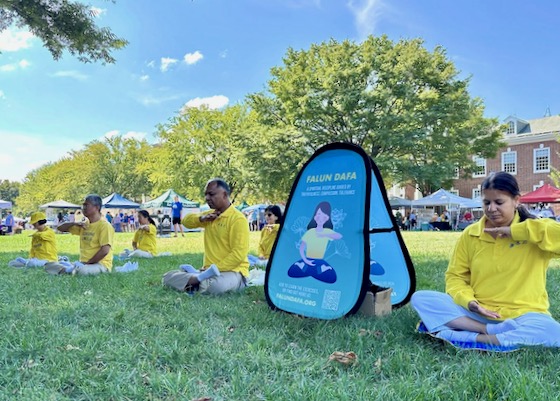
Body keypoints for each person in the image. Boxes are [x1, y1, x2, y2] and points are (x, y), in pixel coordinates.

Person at [411, 171, 560, 349]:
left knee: (552, 331)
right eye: (486, 202)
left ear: (517, 200)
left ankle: (465, 337)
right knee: (421, 298)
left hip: (523, 315)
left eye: (499, 202)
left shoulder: (535, 232)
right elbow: (455, 276)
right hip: (478, 313)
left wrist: (514, 232)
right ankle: (487, 331)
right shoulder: (471, 233)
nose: (491, 209)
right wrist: (470, 302)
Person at [162, 178, 249, 295]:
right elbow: (186, 221)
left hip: (234, 272)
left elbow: (238, 255)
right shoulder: (210, 215)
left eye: (211, 194)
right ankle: (197, 279)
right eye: (206, 194)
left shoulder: (237, 219)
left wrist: (213, 269)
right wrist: (201, 219)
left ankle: (195, 279)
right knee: (167, 277)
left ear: (224, 195)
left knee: (216, 286)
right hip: (207, 272)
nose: (207, 198)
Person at [54, 194, 115, 275]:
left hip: (100, 265)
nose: (83, 208)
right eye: (83, 205)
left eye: (86, 205)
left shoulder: (104, 226)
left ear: (96, 207)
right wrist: (74, 223)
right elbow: (60, 228)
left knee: (82, 271)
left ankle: (71, 269)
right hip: (83, 263)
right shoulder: (84, 224)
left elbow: (104, 251)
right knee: (51, 265)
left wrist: (87, 264)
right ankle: (71, 269)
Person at [287, 201, 342, 283]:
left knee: (331, 277)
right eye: (318, 215)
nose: (320, 218)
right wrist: (305, 260)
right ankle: (311, 269)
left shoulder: (327, 231)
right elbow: (302, 247)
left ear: (327, 218)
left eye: (323, 216)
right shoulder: (310, 232)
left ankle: (315, 270)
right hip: (308, 259)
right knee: (292, 271)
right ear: (315, 216)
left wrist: (325, 235)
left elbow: (339, 236)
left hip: (319, 260)